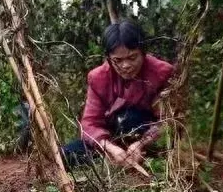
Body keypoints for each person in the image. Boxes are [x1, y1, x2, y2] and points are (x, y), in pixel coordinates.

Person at [62, 20, 174, 168]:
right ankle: (114, 159)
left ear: (143, 53)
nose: (125, 66)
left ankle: (140, 155)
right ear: (108, 58)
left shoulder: (162, 72)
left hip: (145, 135)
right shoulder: (98, 78)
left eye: (132, 57)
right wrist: (110, 148)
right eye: (117, 60)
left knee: (130, 118)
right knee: (66, 154)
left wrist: (141, 144)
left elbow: (169, 120)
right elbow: (89, 123)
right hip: (111, 137)